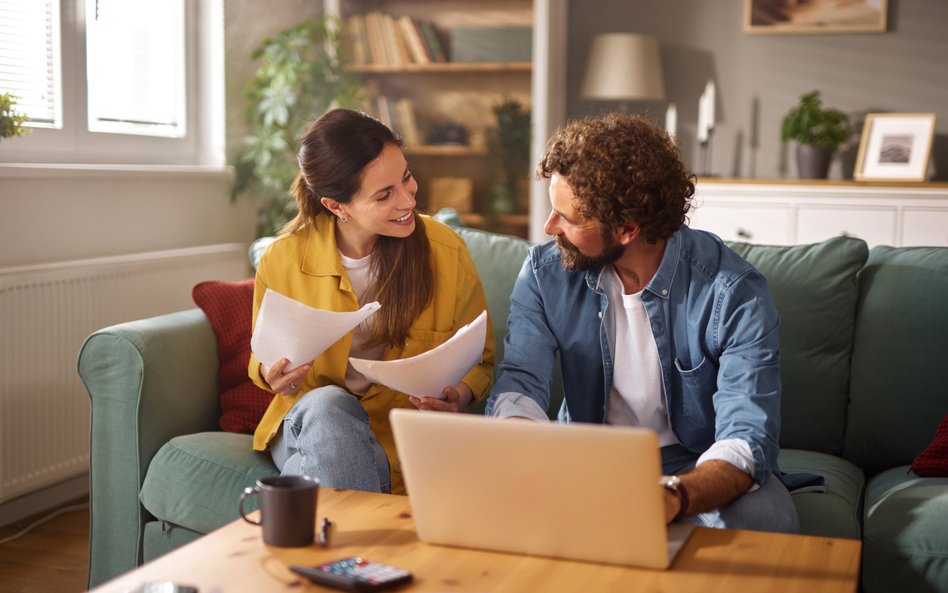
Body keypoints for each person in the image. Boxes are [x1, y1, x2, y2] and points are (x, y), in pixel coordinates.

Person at [486, 112, 799, 533]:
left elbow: (746, 436)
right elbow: (521, 382)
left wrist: (672, 495)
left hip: (695, 464)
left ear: (628, 228)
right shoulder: (545, 275)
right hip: (586, 458)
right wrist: (530, 450)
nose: (548, 228)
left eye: (569, 219)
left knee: (764, 518)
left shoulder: (733, 292)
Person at [249, 108, 494, 496]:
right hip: (312, 423)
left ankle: (317, 528)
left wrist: (458, 396)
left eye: (407, 178)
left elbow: (483, 360)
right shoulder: (282, 260)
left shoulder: (446, 251)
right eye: (384, 195)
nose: (407, 199)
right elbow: (262, 359)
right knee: (328, 406)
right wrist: (271, 375)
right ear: (336, 206)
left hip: (401, 435)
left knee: (316, 474)